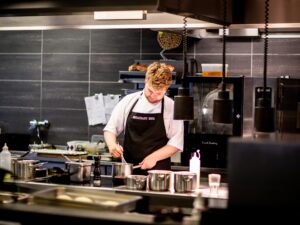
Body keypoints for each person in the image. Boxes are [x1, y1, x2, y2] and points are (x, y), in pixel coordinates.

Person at [104, 62, 184, 175]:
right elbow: (110, 129)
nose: (153, 96)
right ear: (146, 81)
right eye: (150, 91)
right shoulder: (129, 101)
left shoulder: (171, 107)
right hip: (129, 170)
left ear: (166, 88)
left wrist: (154, 157)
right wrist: (112, 145)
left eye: (159, 93)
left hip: (158, 173)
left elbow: (176, 143)